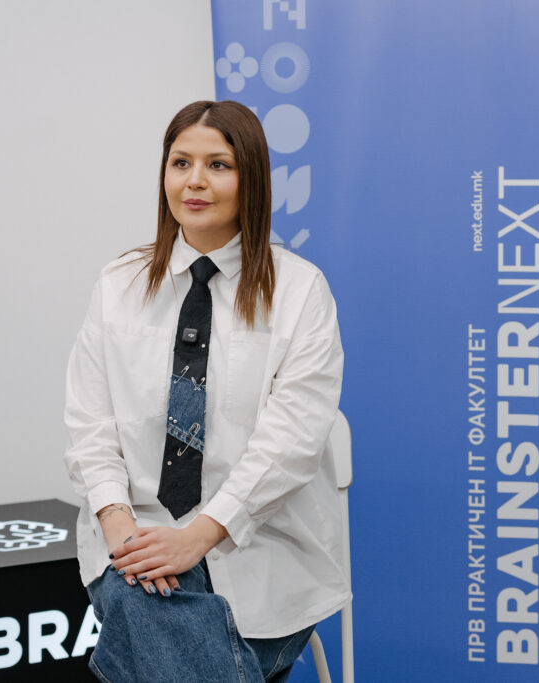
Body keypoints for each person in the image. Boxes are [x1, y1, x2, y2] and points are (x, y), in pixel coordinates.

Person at [63, 100, 349, 683]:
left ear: (252, 178)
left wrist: (199, 535)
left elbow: (291, 442)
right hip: (136, 541)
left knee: (148, 631)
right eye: (180, 162)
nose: (194, 181)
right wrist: (119, 529)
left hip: (262, 561)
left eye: (218, 165)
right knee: (146, 598)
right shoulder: (117, 286)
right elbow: (90, 426)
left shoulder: (300, 293)